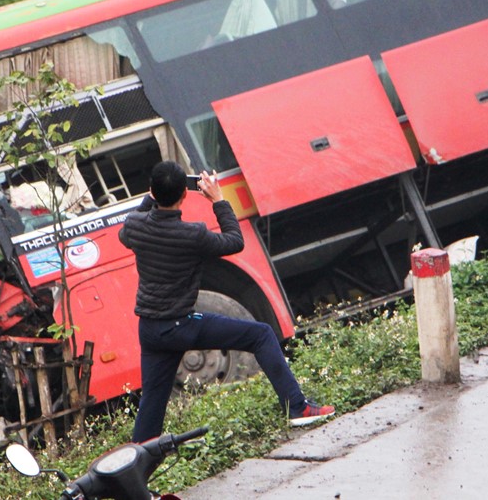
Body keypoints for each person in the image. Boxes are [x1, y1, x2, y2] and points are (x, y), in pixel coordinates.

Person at [120, 160, 334, 442]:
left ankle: (136, 469)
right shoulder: (192, 234)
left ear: (152, 193)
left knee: (152, 407)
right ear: (184, 195)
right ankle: (297, 407)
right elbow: (234, 241)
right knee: (261, 335)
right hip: (181, 325)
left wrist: (152, 197)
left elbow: (131, 227)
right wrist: (218, 199)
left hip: (150, 330)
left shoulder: (134, 226)